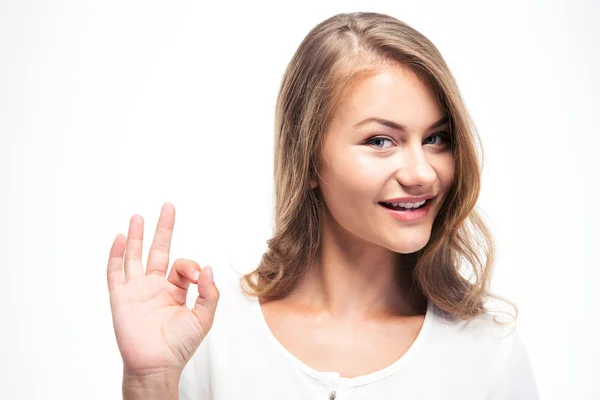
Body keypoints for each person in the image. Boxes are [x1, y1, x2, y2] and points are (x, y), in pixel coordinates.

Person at [106, 12, 539, 400]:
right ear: (309, 158)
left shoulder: (487, 351)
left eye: (436, 138)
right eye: (381, 141)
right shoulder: (212, 336)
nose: (423, 173)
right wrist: (150, 382)